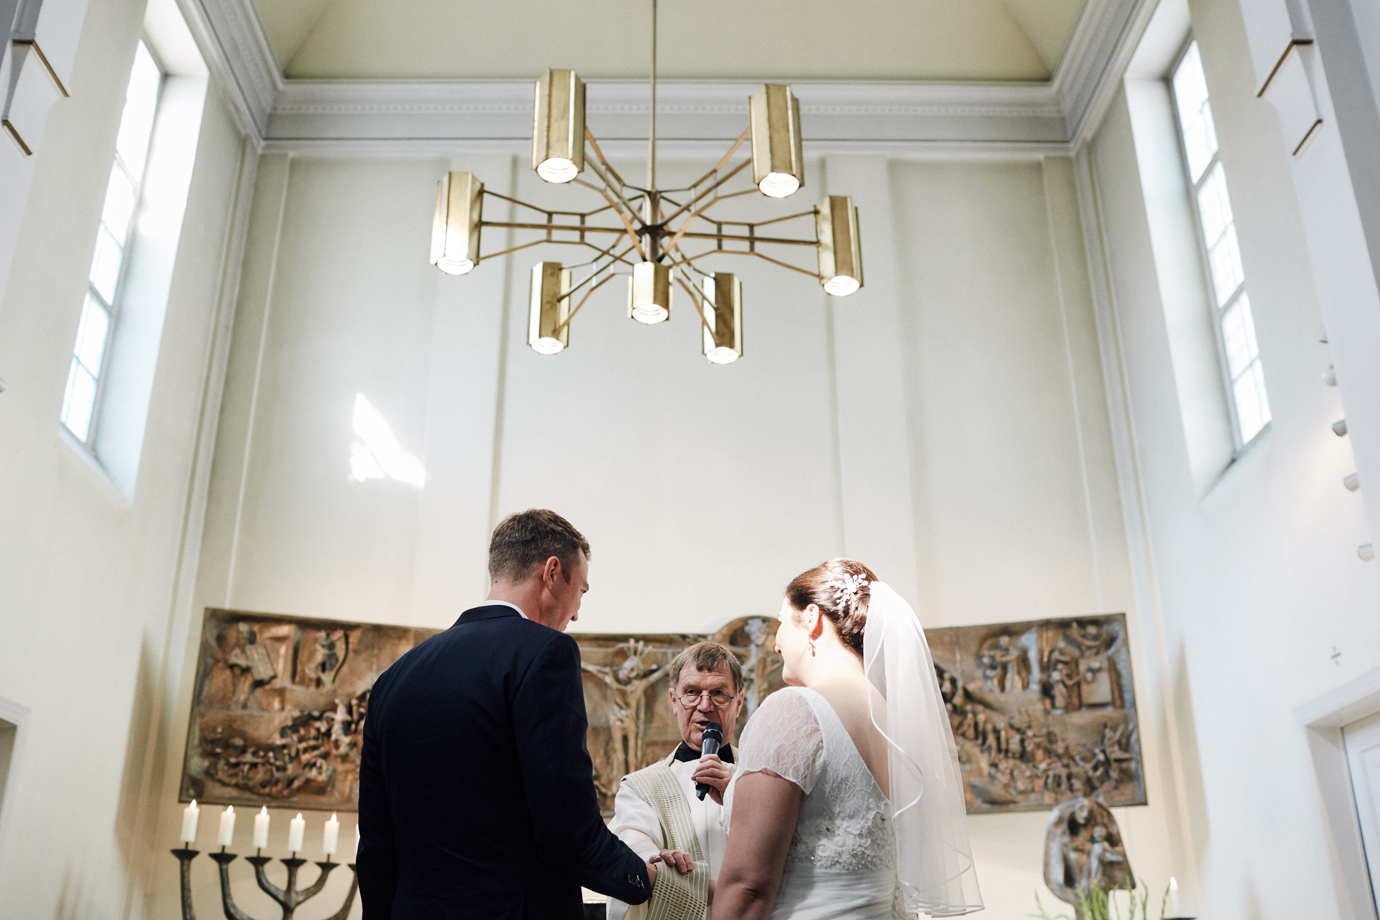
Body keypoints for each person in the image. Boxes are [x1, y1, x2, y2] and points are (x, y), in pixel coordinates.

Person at [357, 509, 691, 920]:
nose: (576, 613)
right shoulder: (544, 653)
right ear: (552, 573)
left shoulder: (396, 677)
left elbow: (375, 845)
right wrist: (643, 877)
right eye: (581, 591)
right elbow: (565, 828)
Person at [714, 559, 984, 919]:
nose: (775, 644)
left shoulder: (794, 709)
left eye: (780, 624)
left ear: (812, 619)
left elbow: (748, 888)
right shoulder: (896, 722)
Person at [607, 641, 745, 920]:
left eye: (718, 693)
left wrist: (737, 796)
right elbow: (631, 847)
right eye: (692, 693)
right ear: (674, 700)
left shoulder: (762, 775)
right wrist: (656, 860)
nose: (704, 706)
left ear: (739, 702)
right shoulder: (640, 786)